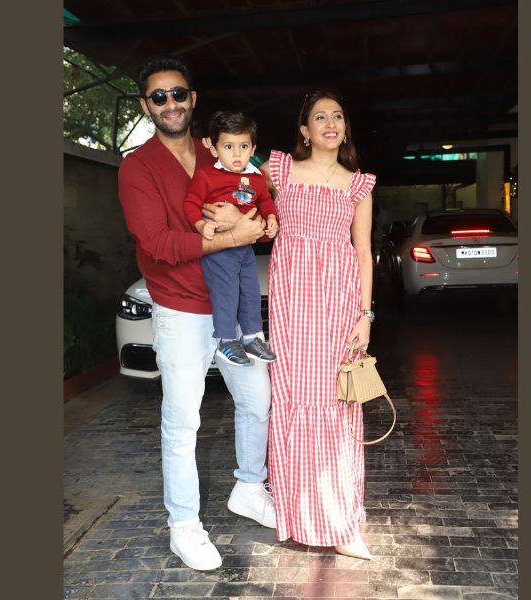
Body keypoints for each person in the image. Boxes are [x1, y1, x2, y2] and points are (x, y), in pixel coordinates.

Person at [117, 55, 276, 572]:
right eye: (158, 96)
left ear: (193, 98)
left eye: (178, 93)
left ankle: (249, 488)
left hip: (233, 312)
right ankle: (183, 524)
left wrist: (256, 221)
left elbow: (261, 204)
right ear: (146, 105)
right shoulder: (138, 167)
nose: (170, 103)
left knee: (258, 401)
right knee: (183, 420)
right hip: (181, 309)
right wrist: (233, 234)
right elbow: (158, 243)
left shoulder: (223, 152)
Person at [267, 90, 376, 559]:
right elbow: (237, 189)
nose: (330, 123)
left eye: (338, 116)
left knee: (336, 403)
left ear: (345, 128)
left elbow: (364, 253)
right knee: (294, 399)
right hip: (292, 304)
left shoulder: (359, 185)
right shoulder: (279, 171)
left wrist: (365, 316)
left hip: (339, 304)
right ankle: (297, 516)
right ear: (304, 130)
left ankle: (342, 524)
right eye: (320, 117)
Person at [183, 110, 279, 367]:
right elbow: (191, 203)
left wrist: (271, 218)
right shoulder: (207, 176)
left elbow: (265, 202)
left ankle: (251, 338)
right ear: (215, 149)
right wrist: (201, 224)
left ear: (253, 148)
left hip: (245, 249)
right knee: (227, 293)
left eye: (243, 146)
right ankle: (226, 341)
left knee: (250, 292)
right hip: (220, 248)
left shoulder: (257, 178)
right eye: (228, 147)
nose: (237, 154)